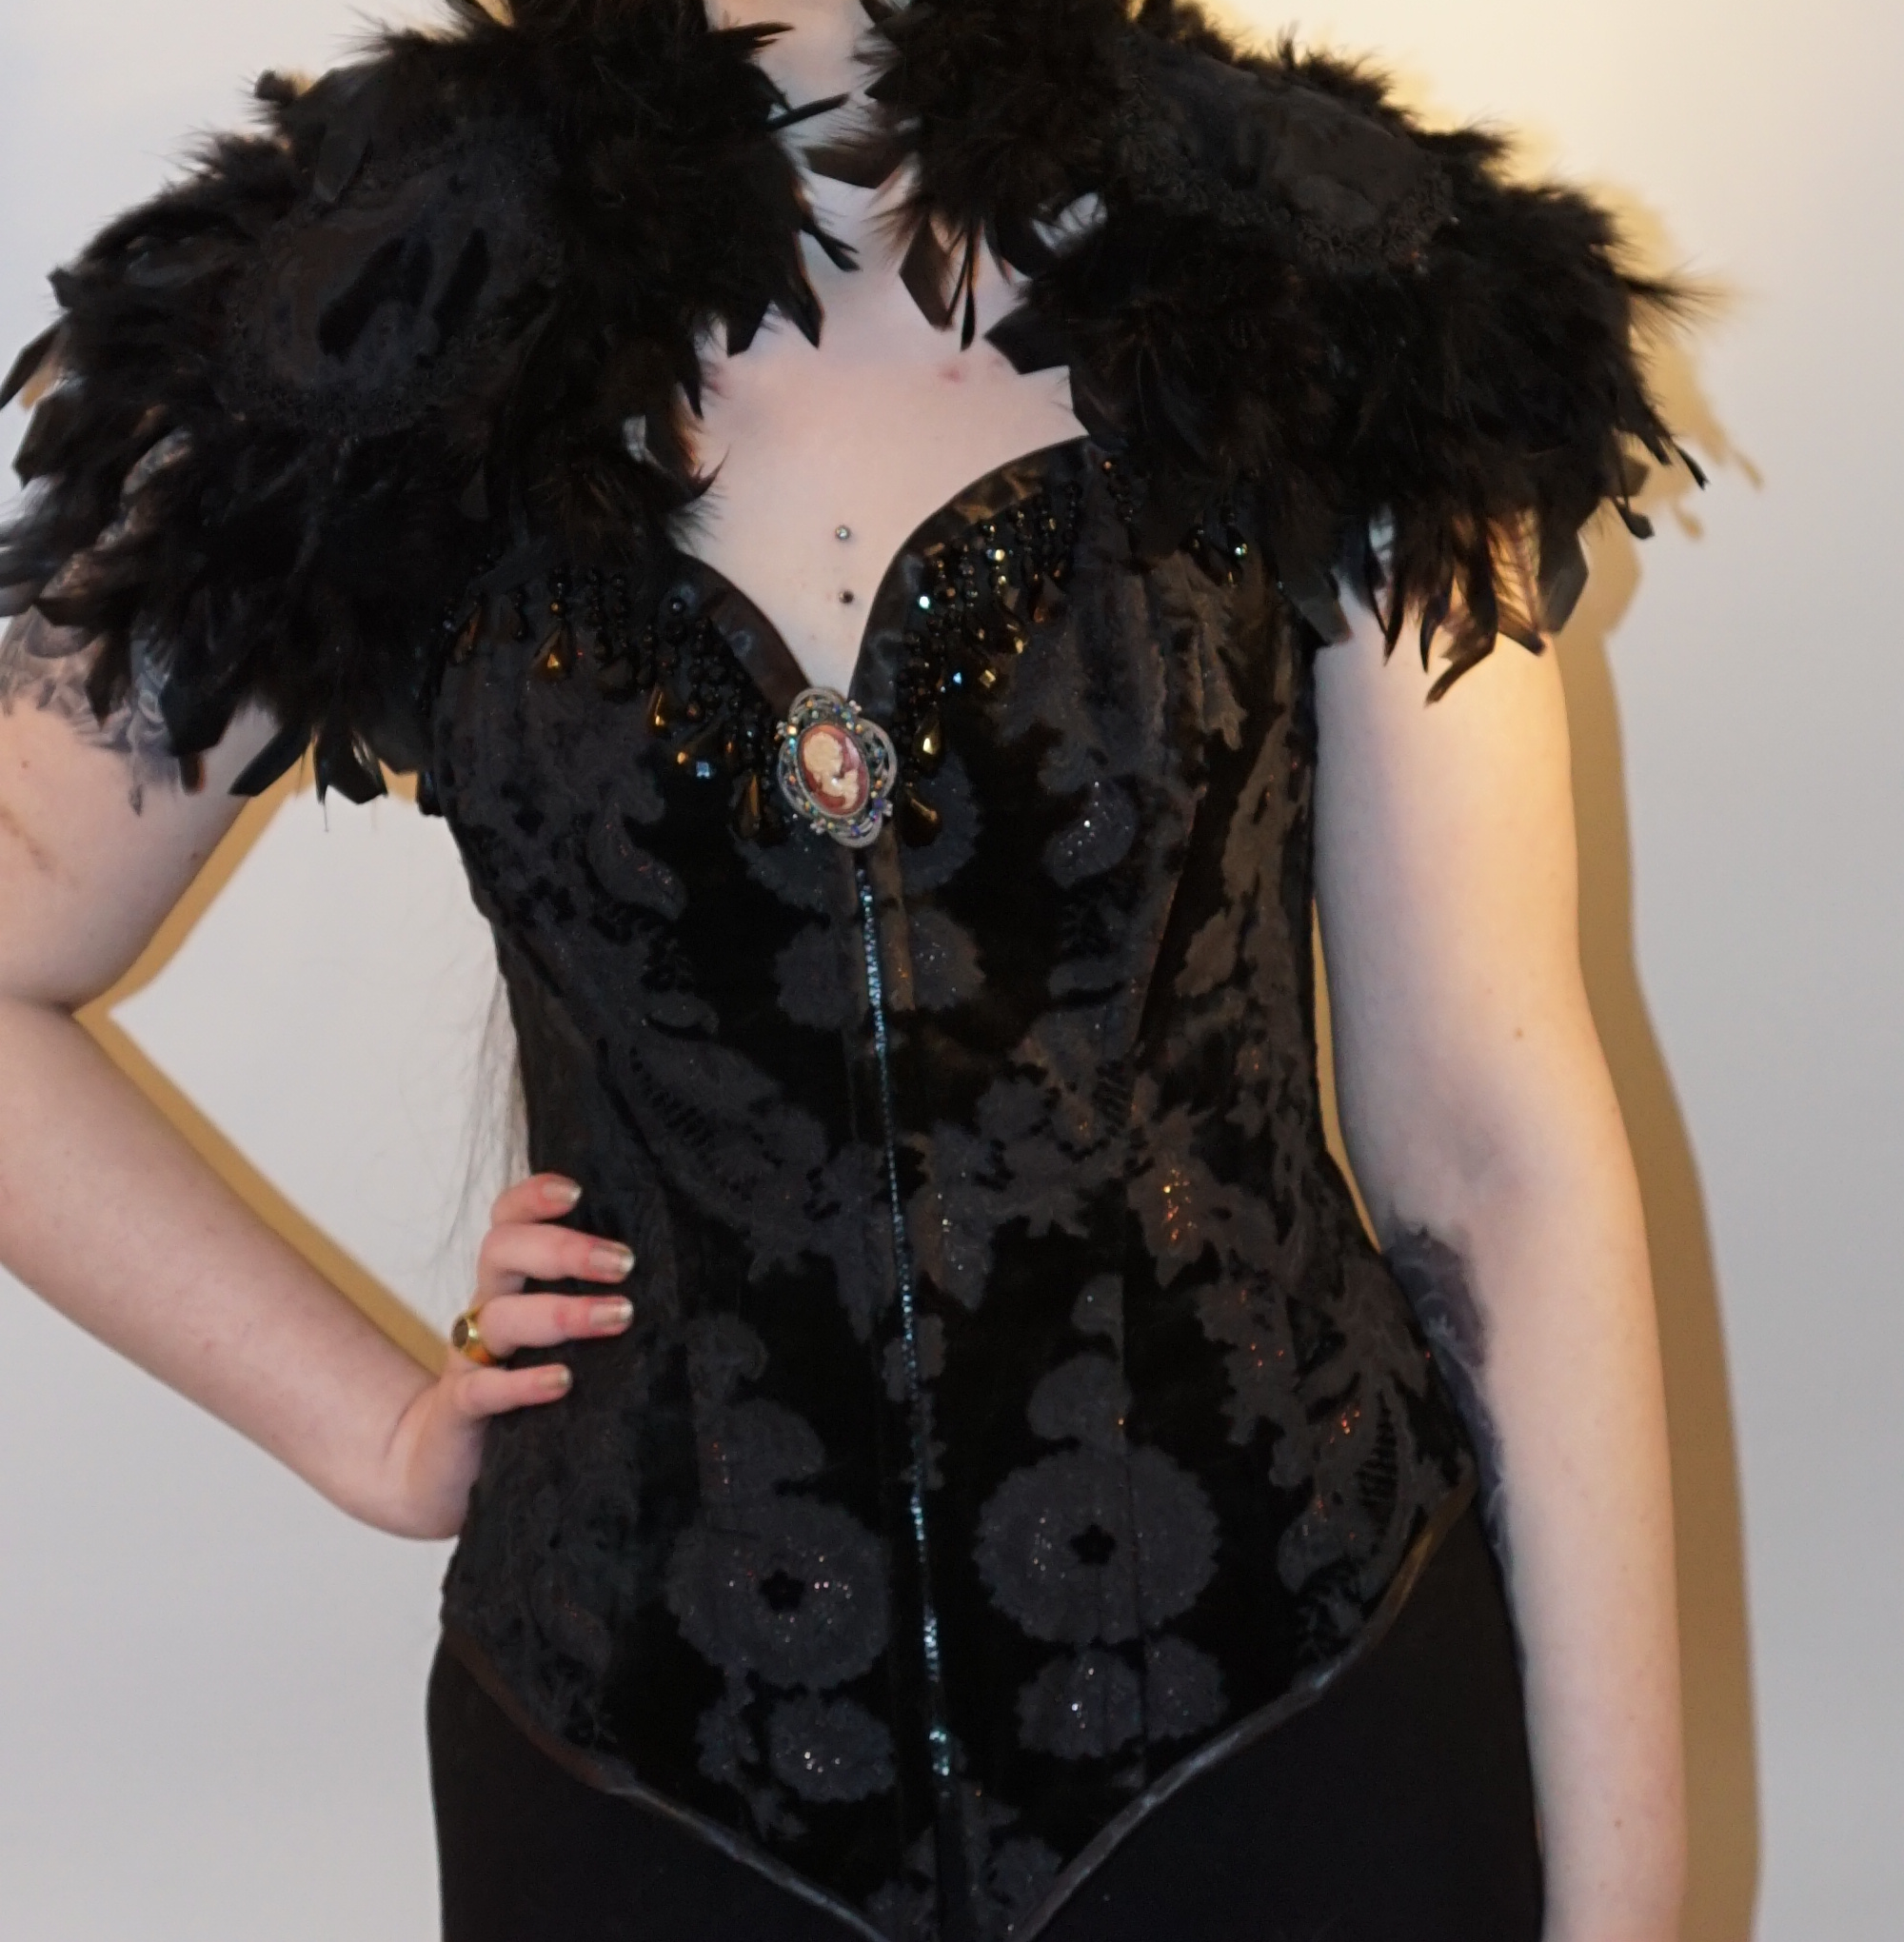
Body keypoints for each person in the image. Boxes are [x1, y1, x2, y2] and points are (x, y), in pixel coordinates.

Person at [0, 1, 1691, 1936]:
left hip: (1301, 1753)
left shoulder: (1326, 283)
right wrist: (364, 1424)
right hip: (638, 1800)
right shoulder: (363, 339)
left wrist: (1626, 1904)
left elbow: (1493, 1153)